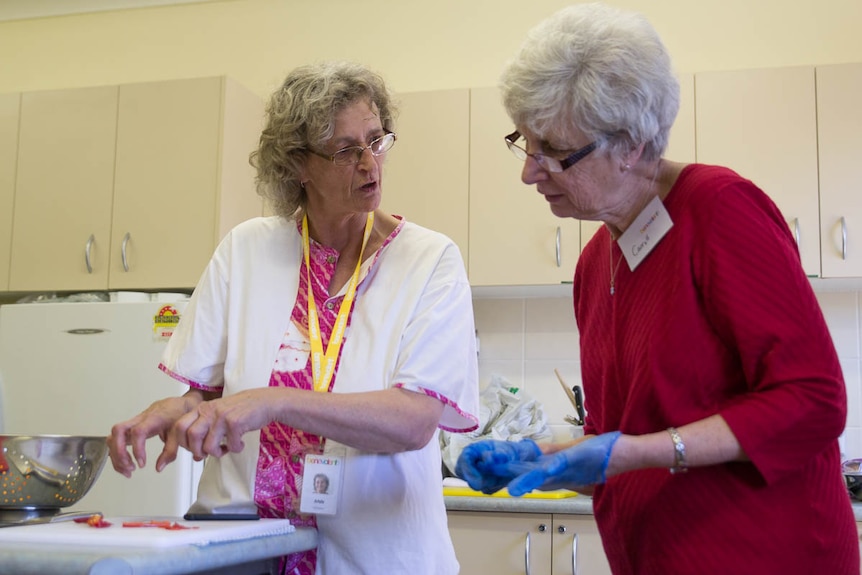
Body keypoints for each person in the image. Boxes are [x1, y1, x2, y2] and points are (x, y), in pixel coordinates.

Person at [455, 3, 859, 574]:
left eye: (553, 151)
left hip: (766, 553)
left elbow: (814, 400)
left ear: (633, 145)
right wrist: (543, 458)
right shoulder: (597, 262)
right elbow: (617, 435)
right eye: (524, 144)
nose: (529, 172)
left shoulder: (721, 211)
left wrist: (635, 453)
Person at [107, 60, 479, 575]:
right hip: (241, 549)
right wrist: (180, 408)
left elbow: (415, 421)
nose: (370, 164)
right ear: (298, 164)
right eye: (347, 151)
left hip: (371, 556)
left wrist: (275, 402)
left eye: (376, 141)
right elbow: (211, 392)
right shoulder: (246, 248)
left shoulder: (430, 260)